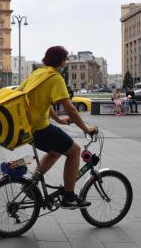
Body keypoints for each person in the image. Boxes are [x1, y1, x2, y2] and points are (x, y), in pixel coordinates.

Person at [18, 46, 97, 209]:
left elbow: (44, 103)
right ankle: (68, 197)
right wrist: (85, 129)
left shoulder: (38, 74)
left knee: (55, 152)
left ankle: (31, 185)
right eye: (65, 60)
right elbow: (70, 108)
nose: (65, 63)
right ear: (60, 61)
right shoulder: (55, 77)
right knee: (74, 150)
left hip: (27, 128)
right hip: (40, 129)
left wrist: (60, 121)